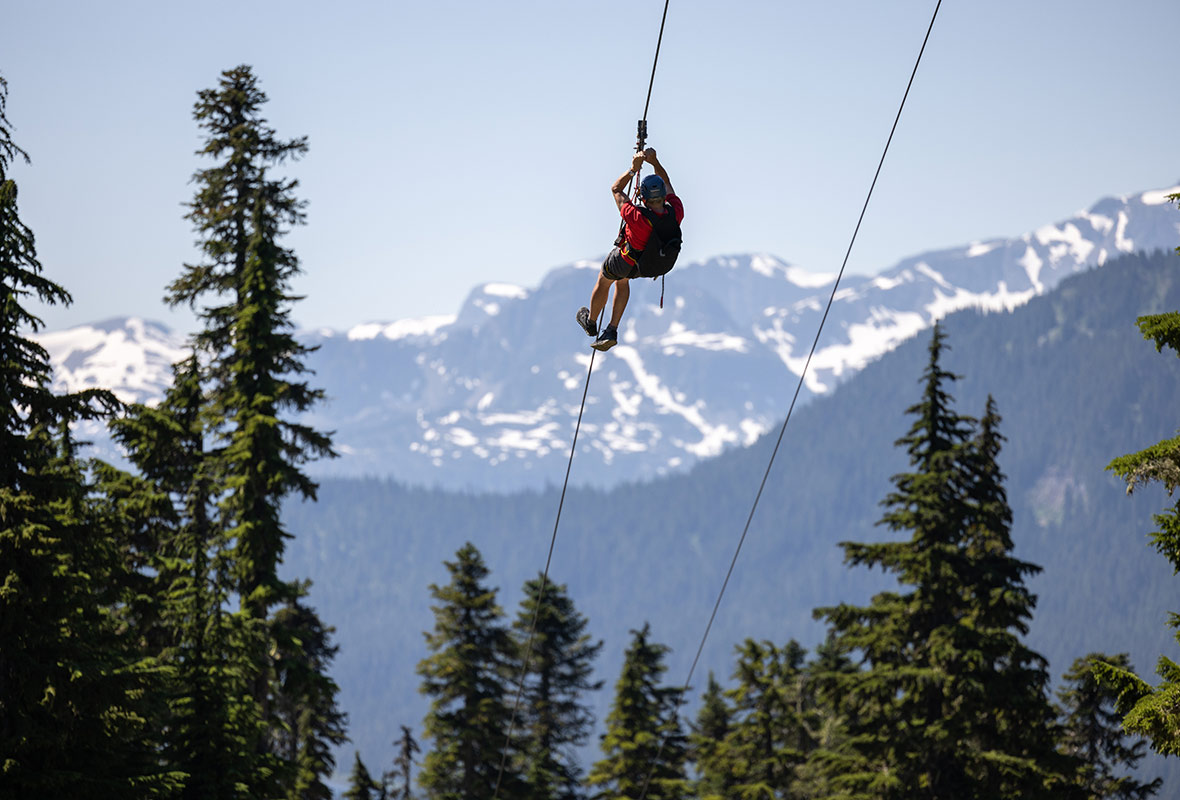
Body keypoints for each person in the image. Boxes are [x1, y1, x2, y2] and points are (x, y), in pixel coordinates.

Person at [576, 147, 684, 351]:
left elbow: (616, 189)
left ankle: (590, 322)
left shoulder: (637, 217)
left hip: (628, 260)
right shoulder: (676, 212)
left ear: (643, 198)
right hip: (651, 265)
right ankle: (612, 329)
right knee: (623, 280)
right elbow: (668, 184)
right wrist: (655, 162)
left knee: (606, 277)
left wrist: (633, 169)